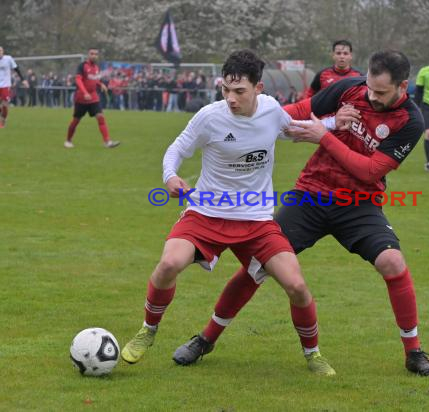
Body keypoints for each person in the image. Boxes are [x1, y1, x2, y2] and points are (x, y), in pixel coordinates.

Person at [179, 50, 429, 377]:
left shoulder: (411, 120)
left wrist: (324, 136)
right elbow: (298, 111)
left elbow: (371, 171)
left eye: (381, 93)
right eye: (370, 89)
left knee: (393, 262)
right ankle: (206, 339)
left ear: (403, 86)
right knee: (257, 265)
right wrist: (256, 115)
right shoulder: (349, 88)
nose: (371, 97)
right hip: (311, 194)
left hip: (358, 203)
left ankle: (414, 353)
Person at [121, 49, 337, 376]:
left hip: (256, 221)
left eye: (239, 91)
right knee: (168, 264)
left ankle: (314, 354)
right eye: (226, 89)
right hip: (206, 214)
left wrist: (335, 123)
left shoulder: (271, 111)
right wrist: (170, 176)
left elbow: (294, 130)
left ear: (259, 88)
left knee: (297, 287)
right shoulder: (210, 116)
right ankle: (148, 331)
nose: (231, 98)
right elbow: (176, 149)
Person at [64, 48, 120, 148]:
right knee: (76, 120)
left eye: (96, 54)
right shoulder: (82, 66)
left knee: (100, 117)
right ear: (88, 55)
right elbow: (78, 80)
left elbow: (94, 79)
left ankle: (107, 142)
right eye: (92, 54)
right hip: (81, 98)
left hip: (93, 97)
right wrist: (85, 92)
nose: (94, 55)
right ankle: (68, 141)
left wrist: (101, 84)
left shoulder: (97, 68)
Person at [0, 46, 26, 128]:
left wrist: (23, 79)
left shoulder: (8, 58)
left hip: (5, 85)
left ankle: (3, 121)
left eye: (0, 50)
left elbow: (16, 69)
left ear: (3, 51)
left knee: (4, 104)